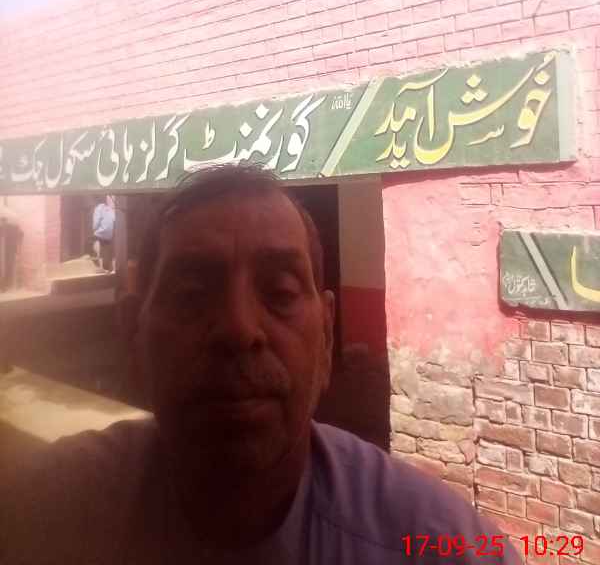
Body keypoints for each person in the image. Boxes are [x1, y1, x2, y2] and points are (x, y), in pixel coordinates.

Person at [1, 165, 521, 564]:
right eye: (192, 294)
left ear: (326, 336)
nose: (238, 328)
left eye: (280, 292)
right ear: (134, 333)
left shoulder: (443, 547)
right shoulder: (39, 515)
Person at [91, 194, 115, 271]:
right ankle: (111, 267)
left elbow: (96, 222)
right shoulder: (113, 209)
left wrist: (94, 229)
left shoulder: (100, 207)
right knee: (109, 249)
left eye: (109, 197)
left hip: (102, 232)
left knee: (97, 244)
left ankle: (102, 267)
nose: (108, 199)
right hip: (111, 233)